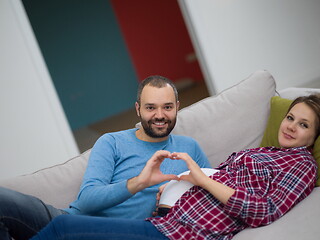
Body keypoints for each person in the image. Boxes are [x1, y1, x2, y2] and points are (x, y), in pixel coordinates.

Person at [31, 94, 320, 240]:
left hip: (185, 234)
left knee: (63, 228)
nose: (291, 126)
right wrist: (172, 191)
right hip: (166, 222)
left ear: (315, 136)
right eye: (290, 117)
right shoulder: (264, 152)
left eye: (304, 124)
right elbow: (217, 179)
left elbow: (264, 210)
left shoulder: (302, 165)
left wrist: (200, 179)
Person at [0, 75, 211, 240]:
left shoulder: (189, 148)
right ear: (138, 109)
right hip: (66, 220)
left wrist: (175, 200)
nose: (159, 115)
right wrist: (140, 183)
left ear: (177, 107)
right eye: (150, 108)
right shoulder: (111, 142)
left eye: (167, 107)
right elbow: (87, 200)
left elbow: (213, 194)